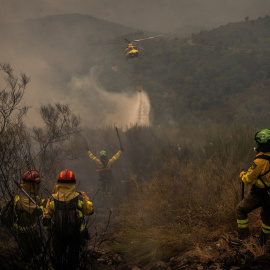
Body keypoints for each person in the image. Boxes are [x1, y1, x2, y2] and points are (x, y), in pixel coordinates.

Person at [43, 169, 94, 270]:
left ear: (58, 183)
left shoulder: (52, 199)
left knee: (57, 259)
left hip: (58, 235)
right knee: (74, 259)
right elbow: (90, 211)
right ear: (74, 183)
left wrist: (49, 230)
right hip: (75, 235)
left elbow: (46, 217)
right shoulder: (79, 198)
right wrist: (86, 198)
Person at [236, 129, 270, 244]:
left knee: (240, 209)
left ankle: (243, 237)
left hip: (259, 194)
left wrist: (242, 175)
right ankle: (263, 241)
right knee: (267, 219)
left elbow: (248, 179)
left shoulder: (260, 161)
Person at [13, 169, 45, 263]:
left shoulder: (30, 194)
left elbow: (39, 202)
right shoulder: (23, 198)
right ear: (33, 185)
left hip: (32, 231)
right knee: (26, 257)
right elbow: (36, 210)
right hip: (23, 234)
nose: (39, 186)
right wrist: (44, 209)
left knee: (38, 253)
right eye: (38, 184)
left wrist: (50, 201)